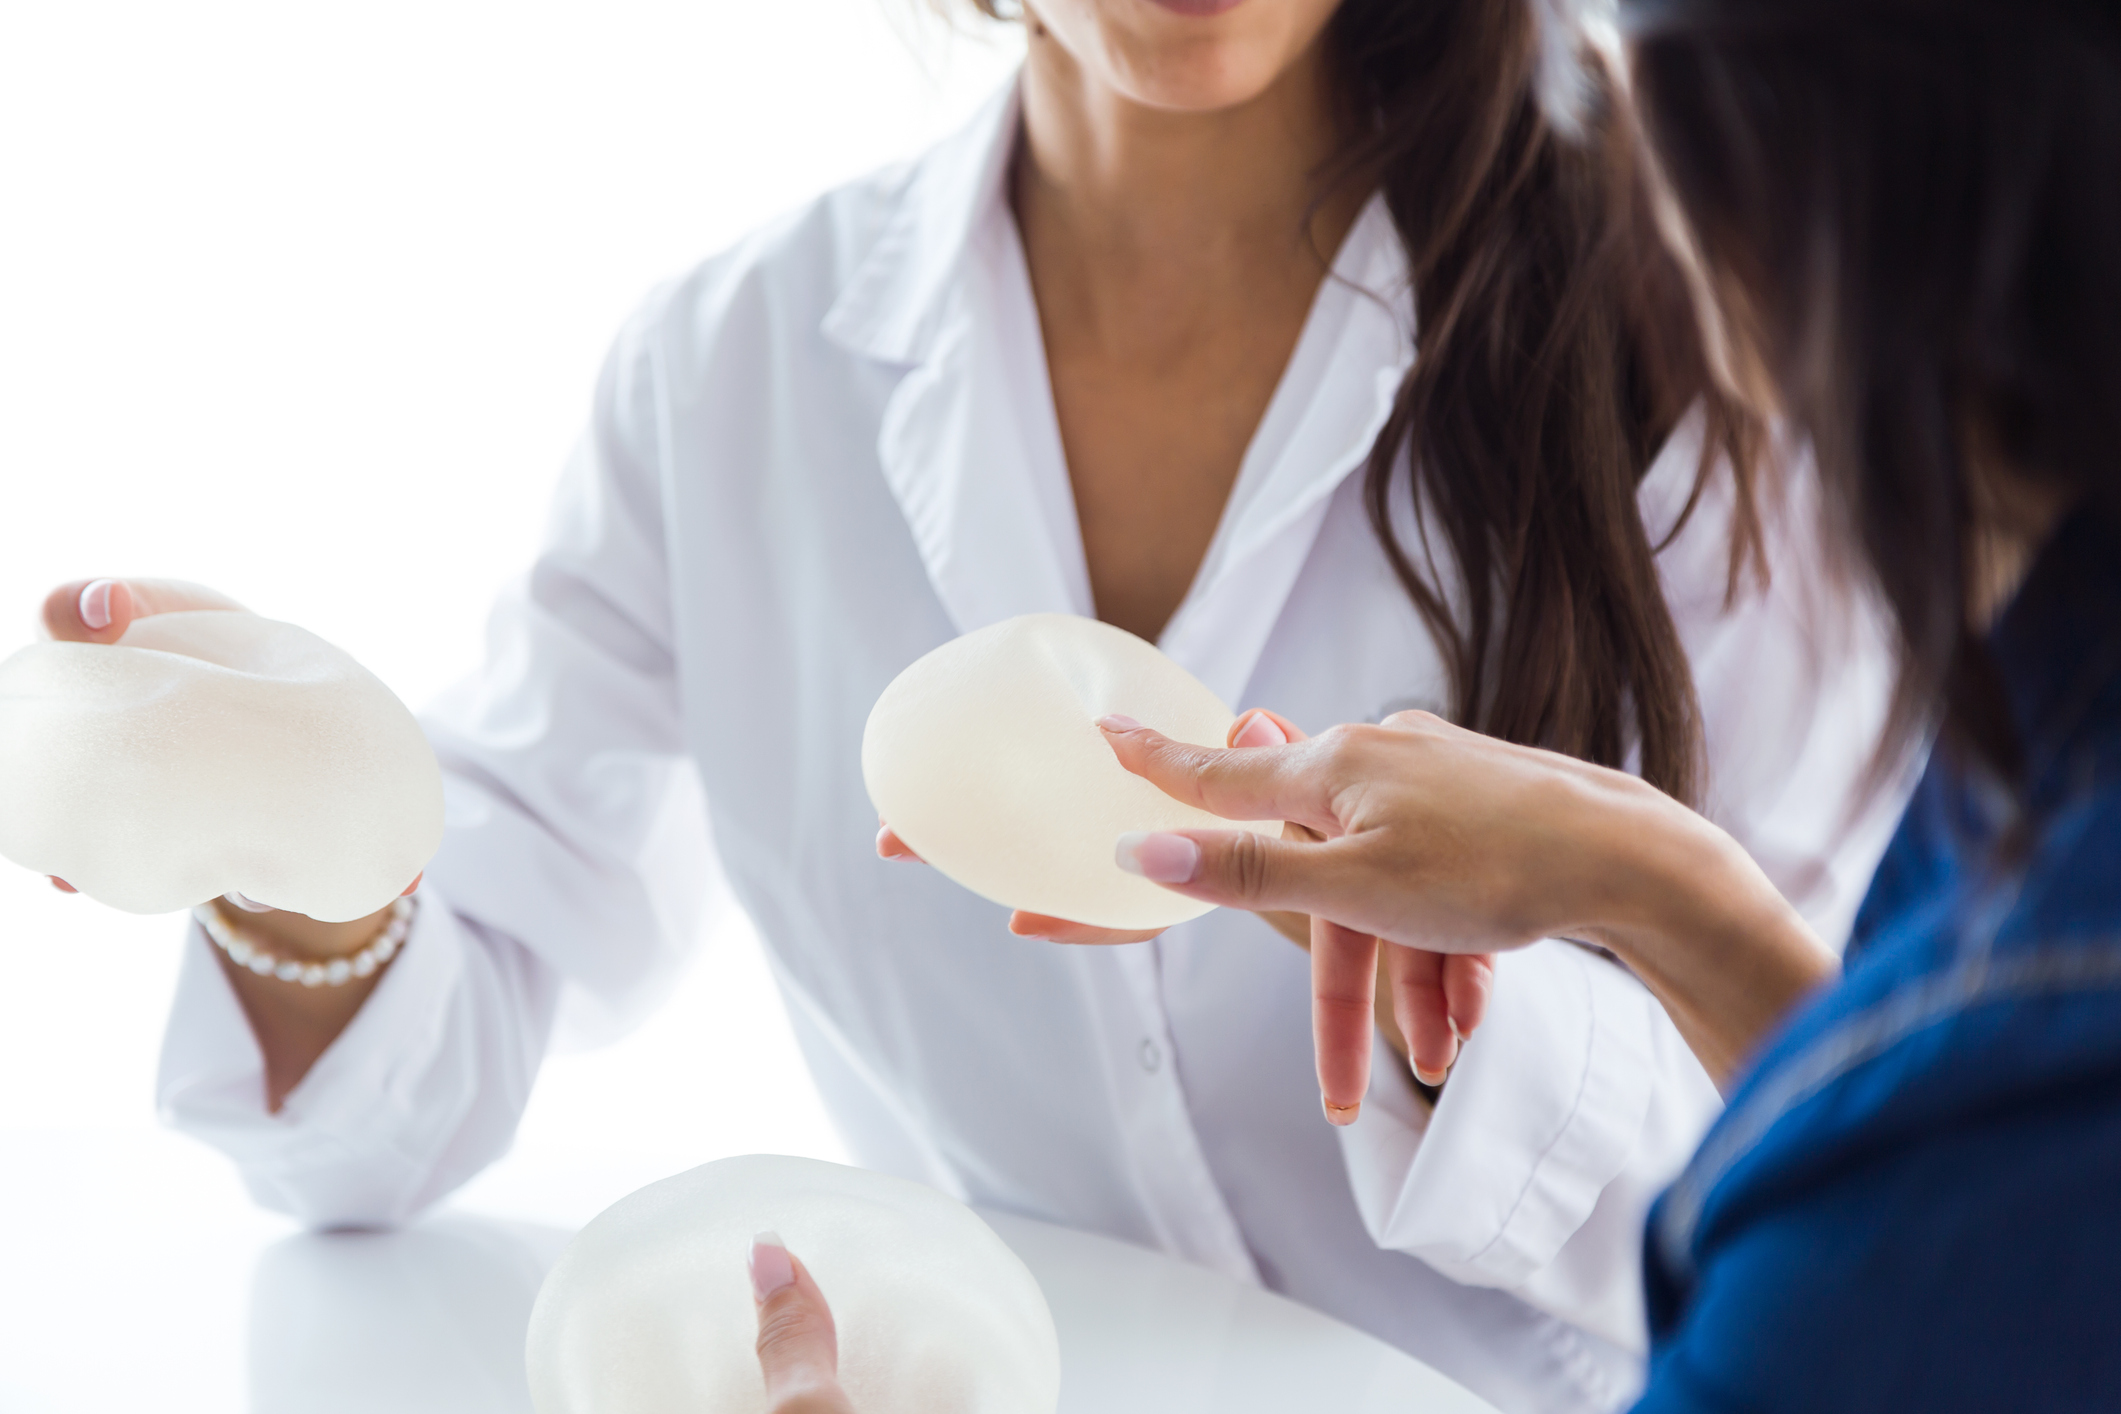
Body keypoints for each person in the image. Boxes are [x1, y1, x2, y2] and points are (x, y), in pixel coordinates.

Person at [41, 2, 1901, 1409]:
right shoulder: (734, 370)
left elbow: (1859, 1159)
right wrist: (300, 846)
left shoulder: (1719, 335)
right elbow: (385, 1124)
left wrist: (1456, 1022)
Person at [1057, 0, 2121, 1407]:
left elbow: (1921, 1206)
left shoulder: (1896, 1227)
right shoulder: (2037, 782)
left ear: (1744, 192)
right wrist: (1651, 883)